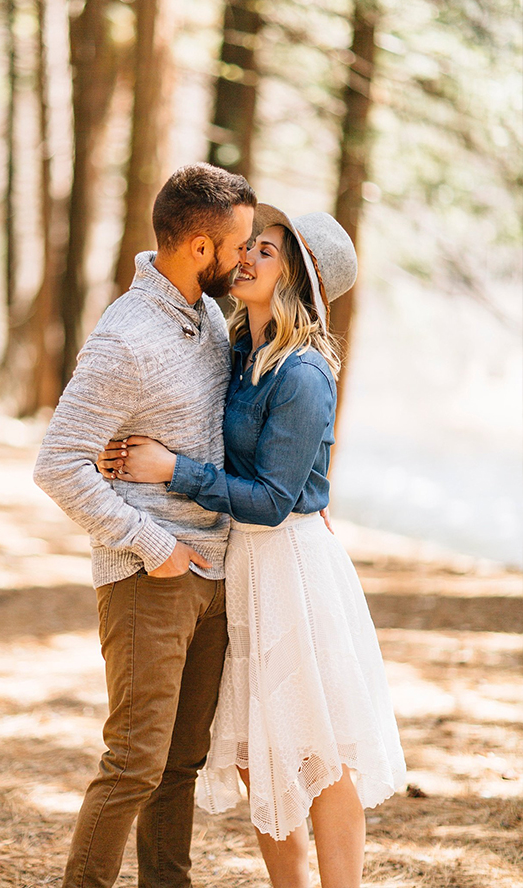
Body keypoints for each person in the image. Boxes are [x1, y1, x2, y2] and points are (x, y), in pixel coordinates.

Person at [98, 205, 407, 888]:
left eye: (264, 252)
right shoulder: (241, 351)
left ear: (297, 277)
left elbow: (271, 499)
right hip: (243, 568)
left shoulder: (301, 374)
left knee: (317, 751)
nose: (245, 259)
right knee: (252, 753)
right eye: (251, 246)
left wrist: (171, 470)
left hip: (289, 567)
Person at [33, 162, 257, 888]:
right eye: (240, 245)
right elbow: (59, 464)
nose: (246, 258)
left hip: (214, 571)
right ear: (200, 248)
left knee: (179, 766)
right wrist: (153, 546)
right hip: (149, 578)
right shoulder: (126, 337)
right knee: (134, 762)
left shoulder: (210, 317)